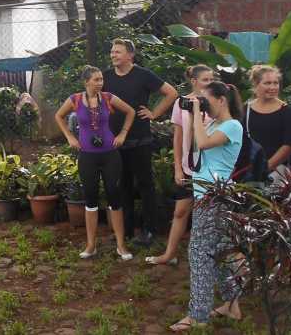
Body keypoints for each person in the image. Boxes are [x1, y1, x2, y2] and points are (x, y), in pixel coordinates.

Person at [171, 80, 244, 331]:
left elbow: (202, 144)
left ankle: (198, 316)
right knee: (220, 252)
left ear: (221, 100)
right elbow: (194, 143)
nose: (203, 104)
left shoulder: (233, 126)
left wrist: (194, 112)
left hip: (215, 198)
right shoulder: (214, 123)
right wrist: (197, 112)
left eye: (206, 100)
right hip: (209, 194)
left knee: (199, 254)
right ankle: (232, 305)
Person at [56, 65, 136, 261]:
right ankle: (91, 245)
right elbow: (58, 116)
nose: (100, 83)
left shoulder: (108, 98)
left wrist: (123, 133)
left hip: (110, 154)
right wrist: (69, 137)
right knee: (90, 198)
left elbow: (131, 112)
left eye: (101, 79)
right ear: (86, 82)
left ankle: (120, 245)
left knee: (114, 196)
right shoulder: (75, 100)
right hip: (87, 155)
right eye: (96, 80)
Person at [103, 38, 179, 246]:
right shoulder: (106, 77)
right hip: (115, 141)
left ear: (130, 55)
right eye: (112, 51)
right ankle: (126, 231)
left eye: (118, 52)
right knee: (123, 186)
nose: (113, 55)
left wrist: (154, 113)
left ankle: (149, 230)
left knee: (145, 186)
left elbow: (172, 93)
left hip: (140, 139)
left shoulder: (143, 75)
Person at [147, 64, 214, 266]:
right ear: (194, 81)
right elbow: (178, 137)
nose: (209, 84)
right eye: (205, 80)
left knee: (210, 215)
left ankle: (209, 259)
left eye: (212, 80)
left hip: (211, 169)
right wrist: (177, 167)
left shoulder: (216, 102)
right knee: (180, 211)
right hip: (188, 167)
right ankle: (169, 254)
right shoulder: (181, 103)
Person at [244, 64, 291, 182]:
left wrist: (266, 167)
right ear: (255, 84)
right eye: (267, 83)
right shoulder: (246, 109)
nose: (273, 87)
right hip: (250, 171)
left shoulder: (286, 111)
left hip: (277, 172)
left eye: (276, 83)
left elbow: (289, 144)